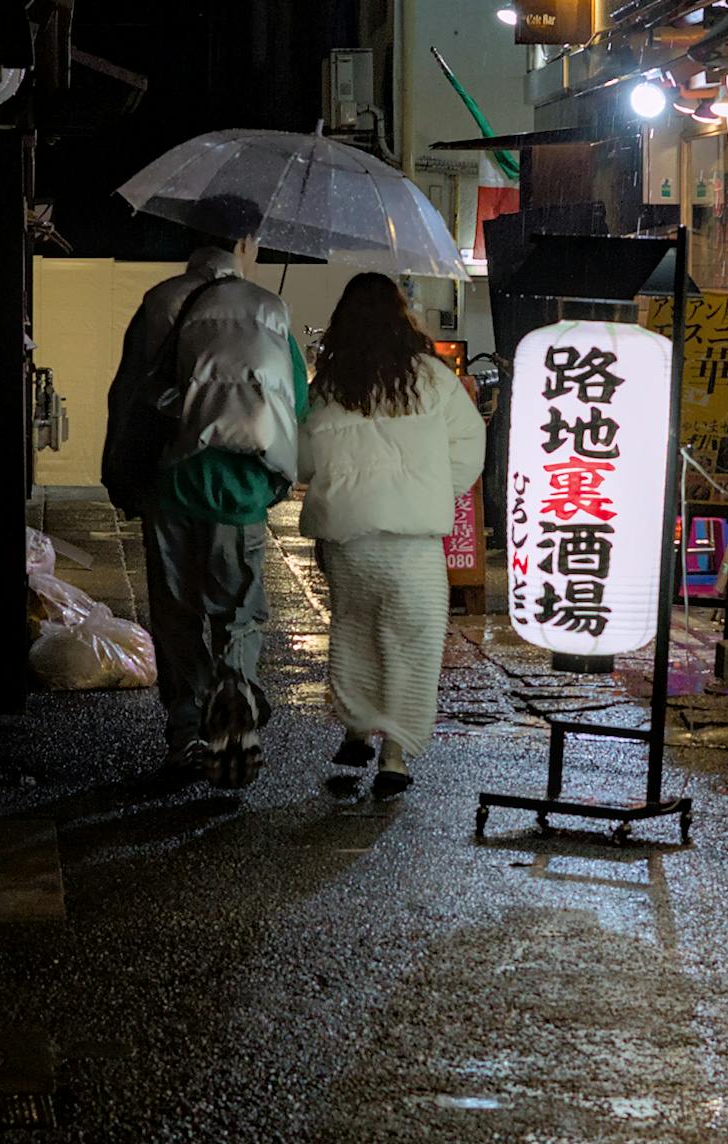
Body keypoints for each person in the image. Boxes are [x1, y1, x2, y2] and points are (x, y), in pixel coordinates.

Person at [102, 195, 308, 787]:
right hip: (240, 484)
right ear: (246, 244)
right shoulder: (270, 309)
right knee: (238, 606)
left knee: (174, 612)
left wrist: (120, 476)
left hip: (170, 480)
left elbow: (127, 396)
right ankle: (236, 685)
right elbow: (296, 398)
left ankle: (187, 733)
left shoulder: (161, 300)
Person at [295, 272, 486, 800]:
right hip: (412, 542)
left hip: (349, 540)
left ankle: (356, 729)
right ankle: (394, 758)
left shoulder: (329, 385)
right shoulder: (431, 377)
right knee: (411, 643)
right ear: (401, 317)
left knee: (355, 633)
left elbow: (304, 461)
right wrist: (433, 491)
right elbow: (470, 442)